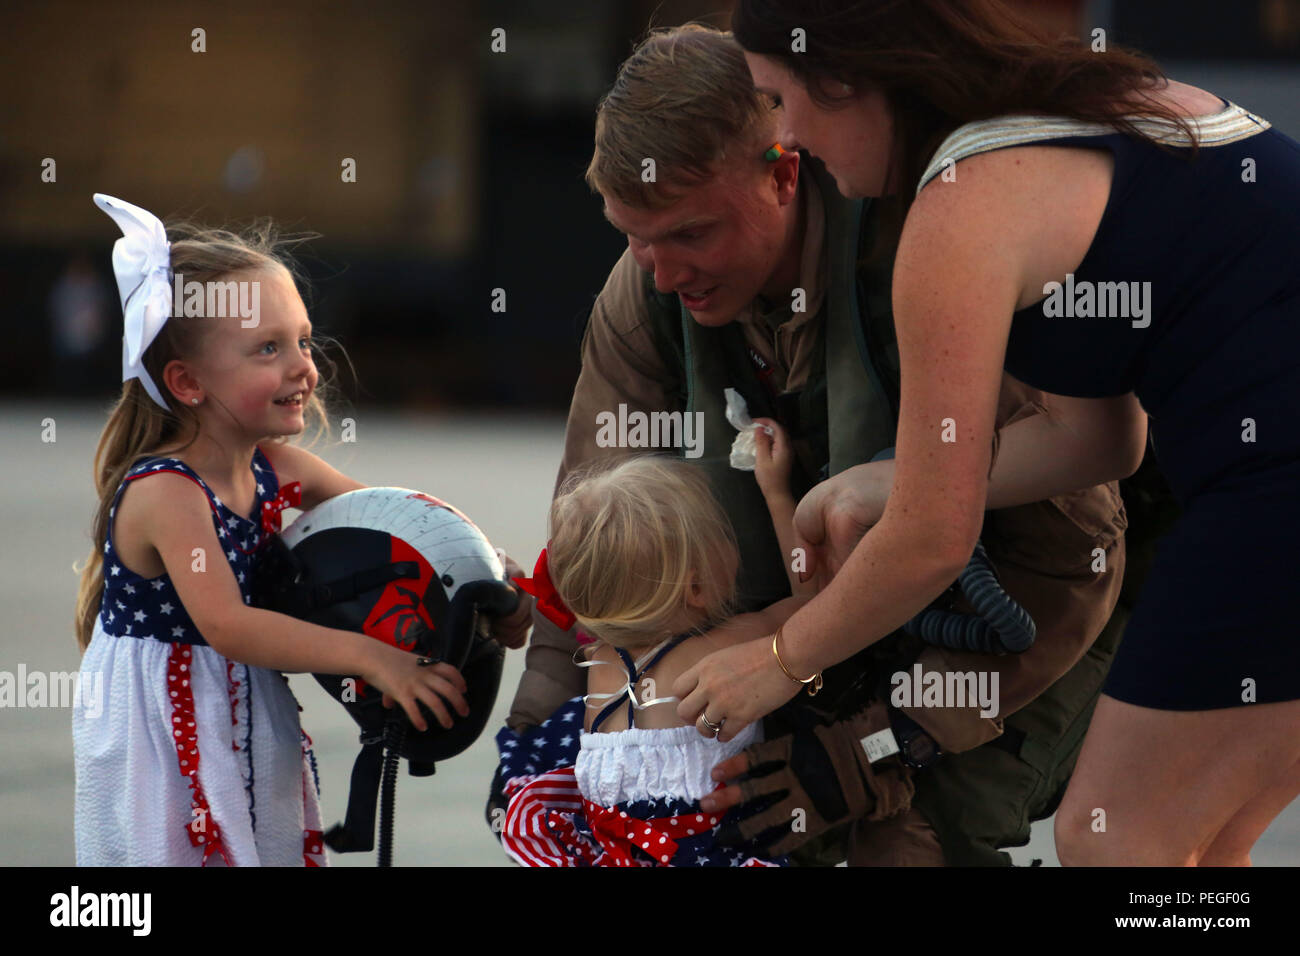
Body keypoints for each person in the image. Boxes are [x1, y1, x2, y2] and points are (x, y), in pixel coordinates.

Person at [499, 24, 1134, 866]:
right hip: (799, 629)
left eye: (691, 234)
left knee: (910, 839)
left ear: (783, 175)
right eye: (633, 236)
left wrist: (881, 745)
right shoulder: (646, 293)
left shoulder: (933, 253)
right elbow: (596, 549)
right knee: (740, 820)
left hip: (1021, 614)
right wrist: (539, 737)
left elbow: (1070, 557)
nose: (660, 272)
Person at [706, 0, 1300, 865]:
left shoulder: (964, 203)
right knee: (1201, 854)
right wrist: (886, 481)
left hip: (1271, 500)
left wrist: (780, 658)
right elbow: (1098, 442)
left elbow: (931, 542)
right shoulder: (1084, 111)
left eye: (778, 99)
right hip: (1265, 493)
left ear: (846, 73)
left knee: (1115, 842)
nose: (785, 137)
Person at [72, 195, 530, 866]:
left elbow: (401, 525)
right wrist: (376, 658)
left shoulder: (273, 466)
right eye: (267, 349)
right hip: (163, 726)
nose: (303, 366)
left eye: (303, 340)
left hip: (243, 697)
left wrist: (489, 580)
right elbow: (226, 624)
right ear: (188, 382)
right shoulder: (166, 491)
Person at [497, 452, 842, 866]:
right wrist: (777, 493)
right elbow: (815, 606)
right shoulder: (725, 645)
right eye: (725, 538)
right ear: (696, 588)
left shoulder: (598, 656)